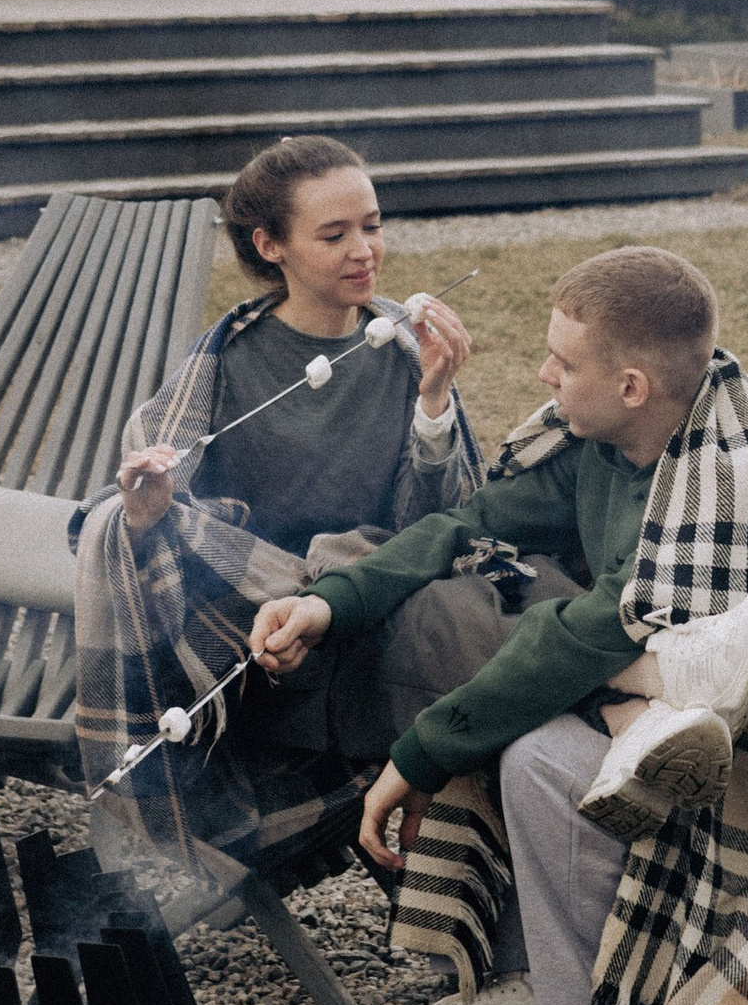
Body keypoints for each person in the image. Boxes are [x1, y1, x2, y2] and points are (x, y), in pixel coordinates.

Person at [250, 246, 748, 1005]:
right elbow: (469, 525)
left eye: (563, 365)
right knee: (516, 714)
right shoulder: (610, 444)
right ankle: (543, 982)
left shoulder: (728, 481)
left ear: (633, 384)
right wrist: (335, 601)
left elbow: (574, 639)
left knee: (536, 752)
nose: (543, 376)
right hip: (669, 709)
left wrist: (414, 760)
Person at [71, 135, 482, 817]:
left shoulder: (405, 354)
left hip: (367, 609)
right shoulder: (229, 363)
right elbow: (174, 531)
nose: (364, 251)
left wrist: (435, 403)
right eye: (334, 234)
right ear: (270, 246)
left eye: (372, 226)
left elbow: (444, 523)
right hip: (250, 639)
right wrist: (147, 510)